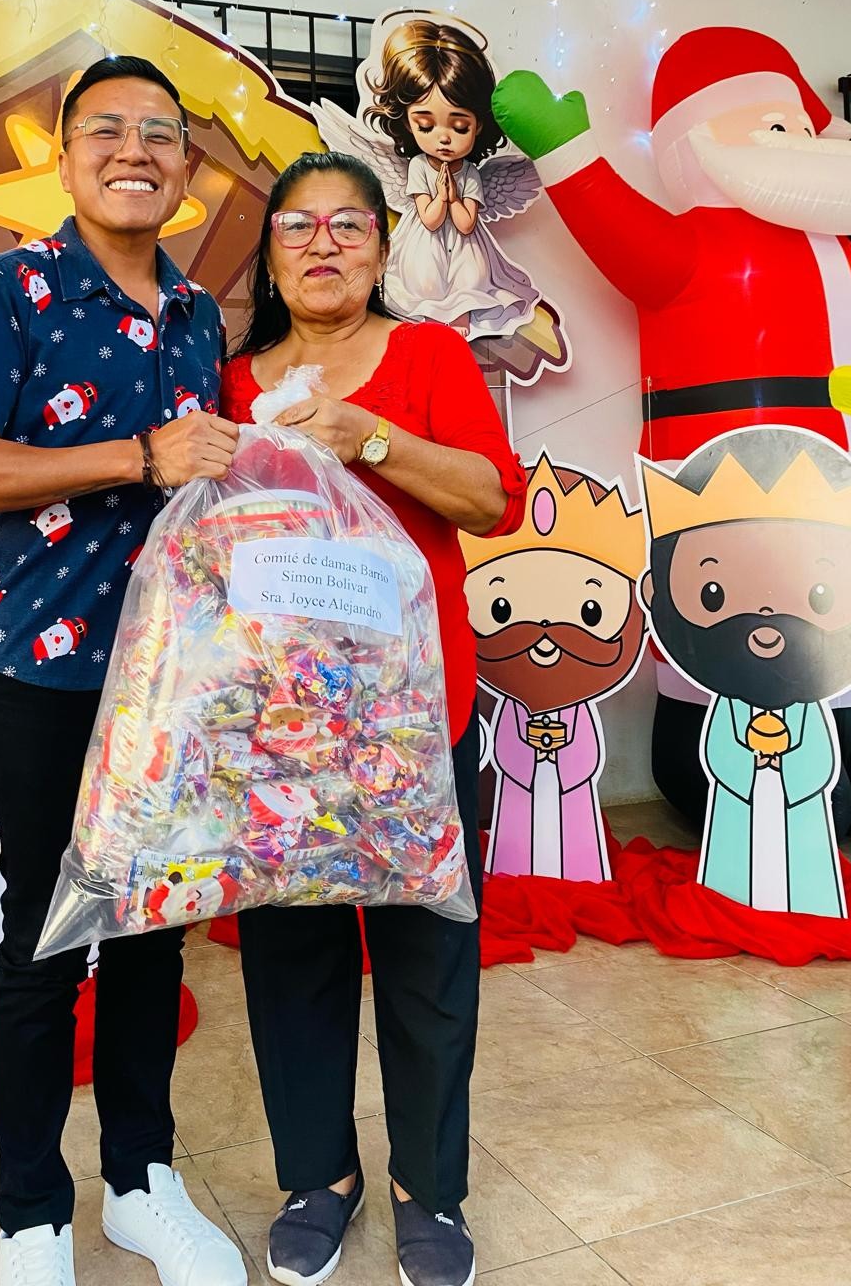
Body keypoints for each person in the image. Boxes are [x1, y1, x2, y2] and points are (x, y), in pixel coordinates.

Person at [0, 55, 246, 1286]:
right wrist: (138, 454)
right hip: (46, 675)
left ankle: (139, 1184)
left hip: (176, 679)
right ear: (63, 158)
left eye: (159, 133)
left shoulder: (200, 315)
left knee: (154, 934)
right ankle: (30, 1214)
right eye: (106, 129)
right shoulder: (3, 292)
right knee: (46, 940)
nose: (135, 150)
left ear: (185, 167)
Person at [220, 150, 527, 1286]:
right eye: (298, 225)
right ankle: (320, 1177)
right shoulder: (230, 379)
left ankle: (428, 1191)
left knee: (425, 959)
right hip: (279, 729)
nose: (324, 243)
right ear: (269, 254)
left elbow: (491, 500)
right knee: (291, 960)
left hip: (414, 721)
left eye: (348, 223)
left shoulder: (430, 353)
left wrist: (371, 439)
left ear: (381, 247)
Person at [364, 18, 538, 335]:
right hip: (424, 241)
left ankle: (459, 328)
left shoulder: (470, 172)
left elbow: (466, 223)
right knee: (424, 276)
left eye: (459, 127)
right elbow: (430, 220)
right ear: (407, 123)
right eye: (426, 126)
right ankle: (431, 331)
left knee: (471, 275)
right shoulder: (418, 166)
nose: (444, 138)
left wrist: (455, 197)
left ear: (478, 125)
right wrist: (441, 197)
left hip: (463, 244)